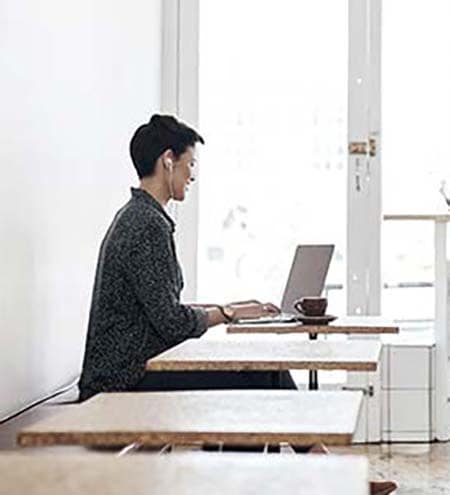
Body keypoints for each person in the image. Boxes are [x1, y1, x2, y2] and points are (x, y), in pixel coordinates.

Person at [78, 114, 295, 402]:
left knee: (264, 370)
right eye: (191, 163)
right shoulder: (147, 224)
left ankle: (313, 448)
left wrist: (228, 308)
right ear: (168, 160)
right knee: (267, 373)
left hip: (128, 372)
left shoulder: (139, 215)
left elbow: (164, 312)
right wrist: (228, 314)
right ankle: (318, 448)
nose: (192, 175)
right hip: (122, 381)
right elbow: (172, 323)